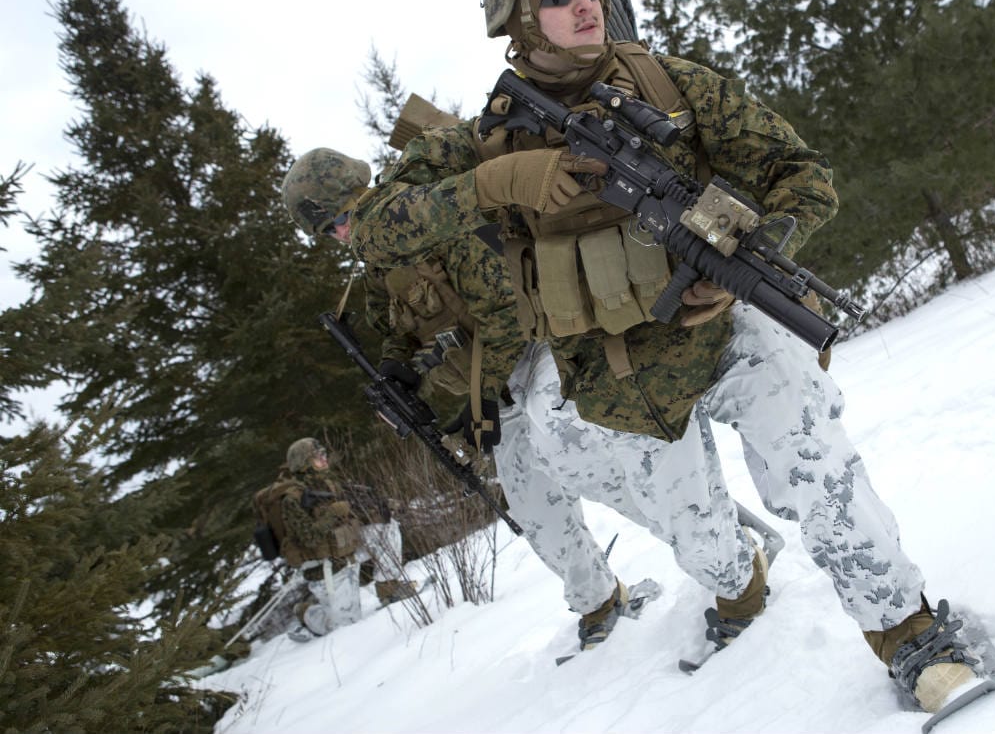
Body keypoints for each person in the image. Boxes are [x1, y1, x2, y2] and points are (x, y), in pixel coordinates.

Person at [361, 0, 994, 713]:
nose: (585, 2)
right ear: (519, 17)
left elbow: (803, 176)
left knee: (816, 463)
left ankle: (910, 634)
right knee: (706, 540)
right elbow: (375, 229)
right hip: (617, 378)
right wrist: (497, 182)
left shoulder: (671, 85)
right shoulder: (485, 138)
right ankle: (741, 585)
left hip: (725, 328)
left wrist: (741, 254)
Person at [281, 146, 772, 655]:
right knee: (534, 509)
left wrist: (477, 394)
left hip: (542, 353)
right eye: (329, 231)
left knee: (587, 460)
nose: (341, 234)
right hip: (495, 392)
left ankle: (723, 549)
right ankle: (599, 601)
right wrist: (396, 367)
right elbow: (397, 330)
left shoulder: (428, 220)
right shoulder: (377, 265)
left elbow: (507, 312)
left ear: (360, 195)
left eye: (341, 219)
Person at [276, 437, 417, 642]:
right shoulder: (293, 499)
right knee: (345, 627)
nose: (324, 459)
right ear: (304, 464)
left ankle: (389, 589)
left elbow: (356, 507)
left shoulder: (329, 484)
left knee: (387, 527)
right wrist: (331, 515)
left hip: (349, 550)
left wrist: (384, 505)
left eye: (324, 454)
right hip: (327, 567)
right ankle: (306, 612)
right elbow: (309, 539)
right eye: (317, 457)